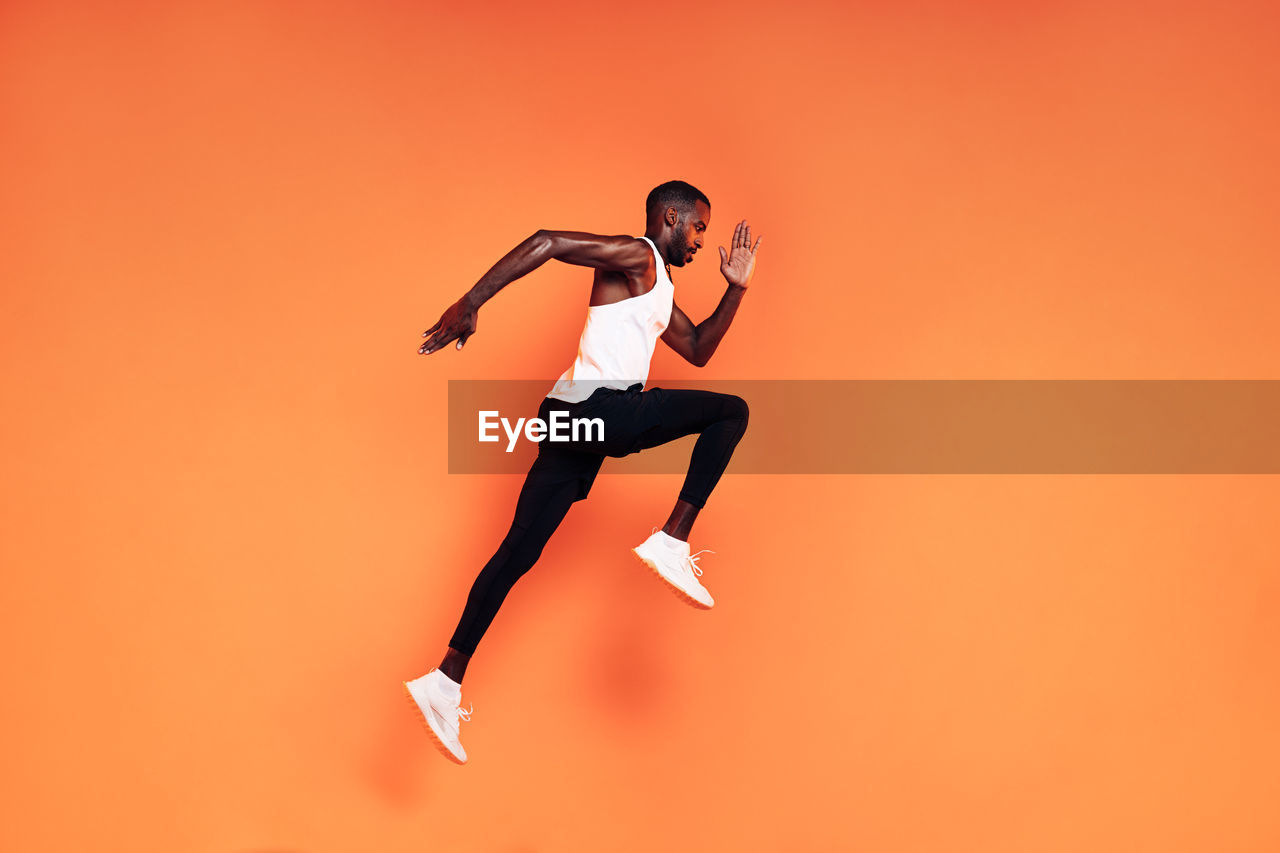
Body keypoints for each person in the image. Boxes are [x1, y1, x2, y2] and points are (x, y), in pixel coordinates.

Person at [404, 180, 760, 763]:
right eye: (698, 228)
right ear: (670, 217)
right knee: (732, 413)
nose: (702, 242)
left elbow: (696, 348)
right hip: (598, 410)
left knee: (518, 551)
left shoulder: (657, 289)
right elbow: (547, 242)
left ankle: (443, 681)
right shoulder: (639, 255)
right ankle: (672, 539)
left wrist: (737, 290)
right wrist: (472, 301)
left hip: (570, 420)